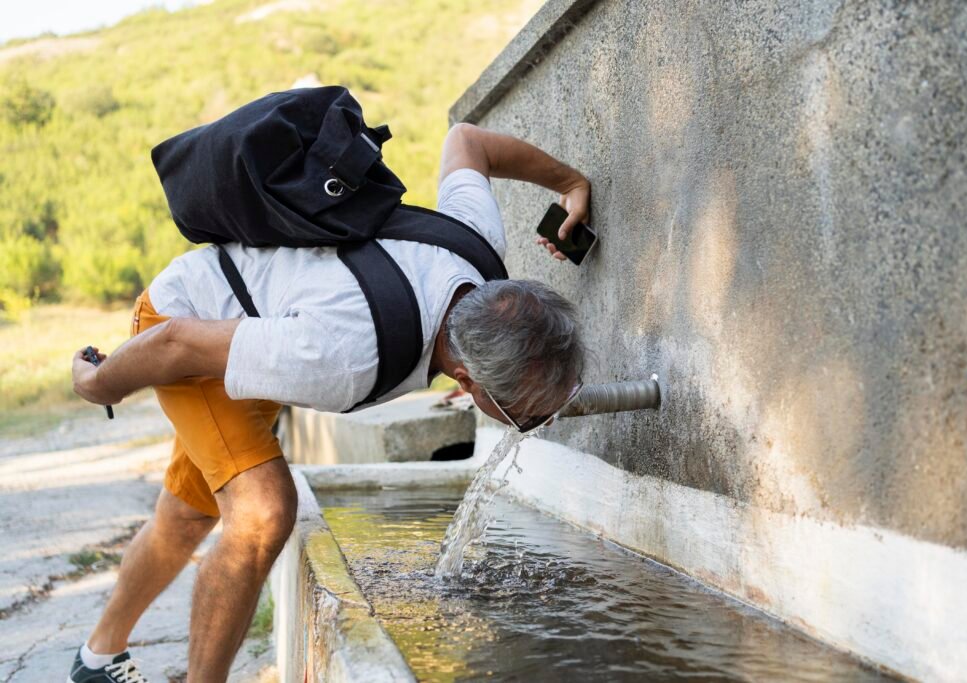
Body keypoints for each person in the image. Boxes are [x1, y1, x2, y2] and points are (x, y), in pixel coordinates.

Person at [68, 121, 590, 682]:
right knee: (262, 513)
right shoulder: (345, 357)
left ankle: (97, 658)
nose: (534, 423)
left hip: (258, 329)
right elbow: (178, 343)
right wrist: (101, 385)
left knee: (187, 511)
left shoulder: (475, 249)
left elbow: (469, 141)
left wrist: (570, 183)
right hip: (188, 321)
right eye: (523, 416)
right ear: (465, 382)